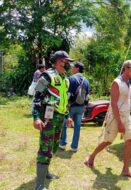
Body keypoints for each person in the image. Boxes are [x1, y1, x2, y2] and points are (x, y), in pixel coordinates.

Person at [84, 60, 131, 179]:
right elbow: (113, 104)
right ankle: (91, 157)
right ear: (125, 68)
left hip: (127, 116)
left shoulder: (129, 82)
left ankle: (125, 170)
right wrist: (119, 123)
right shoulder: (116, 82)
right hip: (115, 116)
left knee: (129, 140)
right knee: (108, 141)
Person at [32, 50, 74, 190]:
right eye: (65, 61)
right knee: (45, 148)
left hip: (60, 117)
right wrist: (36, 117)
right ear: (57, 61)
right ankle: (39, 185)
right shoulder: (47, 75)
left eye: (68, 62)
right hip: (48, 118)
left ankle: (47, 172)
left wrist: (67, 117)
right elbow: (37, 96)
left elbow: (65, 100)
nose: (67, 64)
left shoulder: (65, 79)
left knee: (54, 146)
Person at [59, 62, 90, 152]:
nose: (71, 69)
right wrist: (85, 106)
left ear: (77, 69)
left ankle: (63, 143)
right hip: (81, 106)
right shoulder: (86, 80)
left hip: (71, 106)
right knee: (77, 126)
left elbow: (67, 94)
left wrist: (65, 105)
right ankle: (74, 146)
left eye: (73, 67)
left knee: (64, 124)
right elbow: (87, 96)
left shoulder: (71, 79)